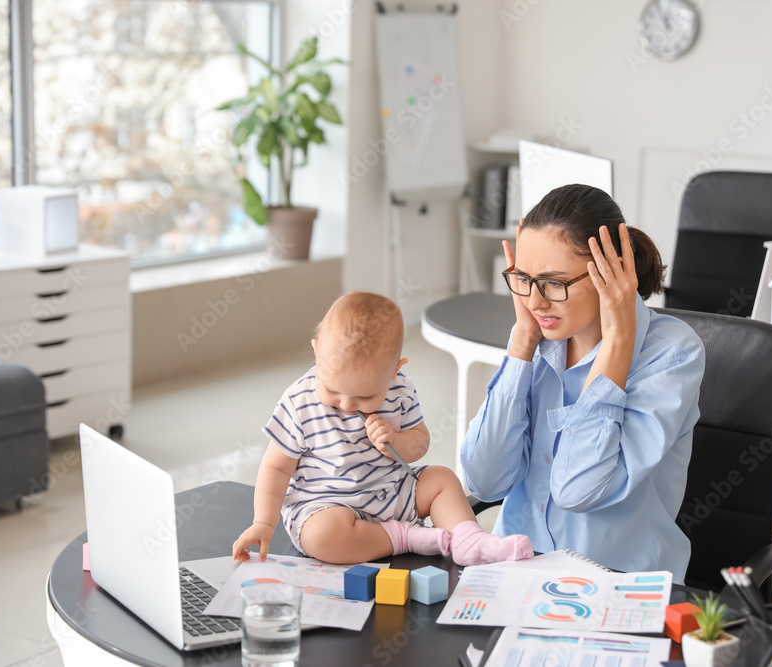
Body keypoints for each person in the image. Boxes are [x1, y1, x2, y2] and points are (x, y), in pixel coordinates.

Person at [460, 184, 705, 583]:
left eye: (554, 283)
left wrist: (618, 344)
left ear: (611, 273)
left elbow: (577, 491)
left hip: (615, 582)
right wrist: (521, 343)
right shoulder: (538, 338)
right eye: (523, 279)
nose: (536, 303)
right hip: (517, 569)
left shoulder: (672, 354)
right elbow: (484, 482)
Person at [233, 291, 533, 566]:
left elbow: (420, 444)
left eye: (365, 397)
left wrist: (397, 441)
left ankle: (469, 539)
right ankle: (405, 538)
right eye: (333, 390)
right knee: (322, 536)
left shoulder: (400, 390)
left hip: (392, 492)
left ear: (394, 372)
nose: (348, 405)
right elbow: (276, 469)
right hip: (328, 505)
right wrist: (264, 522)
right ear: (316, 353)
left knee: (441, 479)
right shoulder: (300, 401)